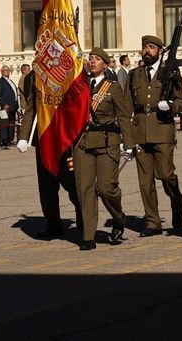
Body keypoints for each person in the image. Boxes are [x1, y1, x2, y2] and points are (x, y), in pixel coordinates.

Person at [73, 47, 134, 251]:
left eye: (97, 59)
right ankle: (89, 235)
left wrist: (129, 143)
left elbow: (124, 116)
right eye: (90, 58)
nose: (92, 62)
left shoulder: (113, 88)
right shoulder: (80, 86)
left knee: (106, 188)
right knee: (85, 189)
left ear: (105, 64)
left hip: (108, 141)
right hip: (83, 142)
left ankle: (119, 218)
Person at [127, 35, 182, 236]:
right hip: (140, 131)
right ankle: (152, 222)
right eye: (144, 47)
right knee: (145, 181)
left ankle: (176, 200)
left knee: (165, 174)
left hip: (162, 129)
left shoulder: (169, 73)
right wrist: (127, 137)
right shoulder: (134, 74)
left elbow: (181, 102)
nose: (147, 51)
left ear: (160, 51)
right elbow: (127, 106)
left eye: (151, 47)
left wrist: (170, 106)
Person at [17, 70, 83, 239]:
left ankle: (83, 220)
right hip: (45, 137)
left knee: (73, 184)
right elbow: (32, 106)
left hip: (66, 137)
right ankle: (53, 224)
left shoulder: (72, 70)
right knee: (46, 186)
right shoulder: (36, 75)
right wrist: (24, 136)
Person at [0, 65, 19, 146]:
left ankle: (10, 138)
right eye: (4, 70)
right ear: (1, 71)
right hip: (6, 106)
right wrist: (3, 104)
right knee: (5, 123)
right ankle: (5, 140)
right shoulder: (0, 81)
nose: (6, 71)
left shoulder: (11, 81)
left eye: (7, 70)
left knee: (12, 123)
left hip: (13, 105)